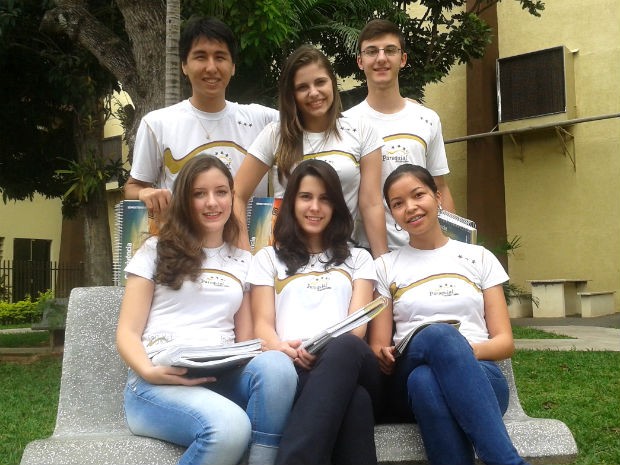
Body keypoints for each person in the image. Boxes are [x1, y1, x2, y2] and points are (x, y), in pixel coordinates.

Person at [116, 155, 297, 465]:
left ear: (231, 197)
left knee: (277, 366)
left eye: (221, 192)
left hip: (220, 376)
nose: (212, 202)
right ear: (185, 200)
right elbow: (127, 332)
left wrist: (277, 347)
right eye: (199, 194)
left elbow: (246, 342)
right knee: (230, 428)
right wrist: (149, 372)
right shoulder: (154, 250)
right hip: (157, 382)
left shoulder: (243, 261)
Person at [369, 163, 531, 465]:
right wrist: (383, 353)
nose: (410, 207)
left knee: (426, 381)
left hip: (482, 378)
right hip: (407, 372)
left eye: (418, 195)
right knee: (439, 337)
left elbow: (505, 342)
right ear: (393, 215)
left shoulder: (479, 257)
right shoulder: (385, 266)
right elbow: (378, 345)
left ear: (438, 197)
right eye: (398, 203)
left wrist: (457, 352)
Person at [247, 159, 382, 465]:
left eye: (325, 199)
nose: (315, 207)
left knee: (345, 345)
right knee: (356, 403)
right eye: (306, 197)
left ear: (336, 206)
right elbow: (263, 326)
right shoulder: (267, 259)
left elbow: (357, 328)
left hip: (352, 360)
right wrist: (282, 349)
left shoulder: (358, 258)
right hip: (296, 369)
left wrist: (323, 350)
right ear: (292, 202)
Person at [233, 44, 388, 258]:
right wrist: (244, 255)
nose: (314, 93)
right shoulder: (275, 134)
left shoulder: (362, 131)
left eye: (320, 82)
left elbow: (371, 204)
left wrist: (382, 263)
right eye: (302, 87)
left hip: (343, 261)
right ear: (292, 94)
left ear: (332, 83)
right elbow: (236, 194)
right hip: (286, 261)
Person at [125, 16, 277, 216]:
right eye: (200, 57)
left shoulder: (264, 120)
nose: (211, 68)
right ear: (184, 65)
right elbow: (133, 187)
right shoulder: (157, 124)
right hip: (183, 236)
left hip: (247, 237)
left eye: (220, 57)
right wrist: (144, 193)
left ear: (233, 66)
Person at [344, 18, 455, 250]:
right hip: (366, 251)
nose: (381, 58)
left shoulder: (427, 119)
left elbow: (440, 187)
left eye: (390, 50)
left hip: (423, 247)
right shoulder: (346, 124)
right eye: (371, 51)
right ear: (360, 62)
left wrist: (450, 249)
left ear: (402, 59)